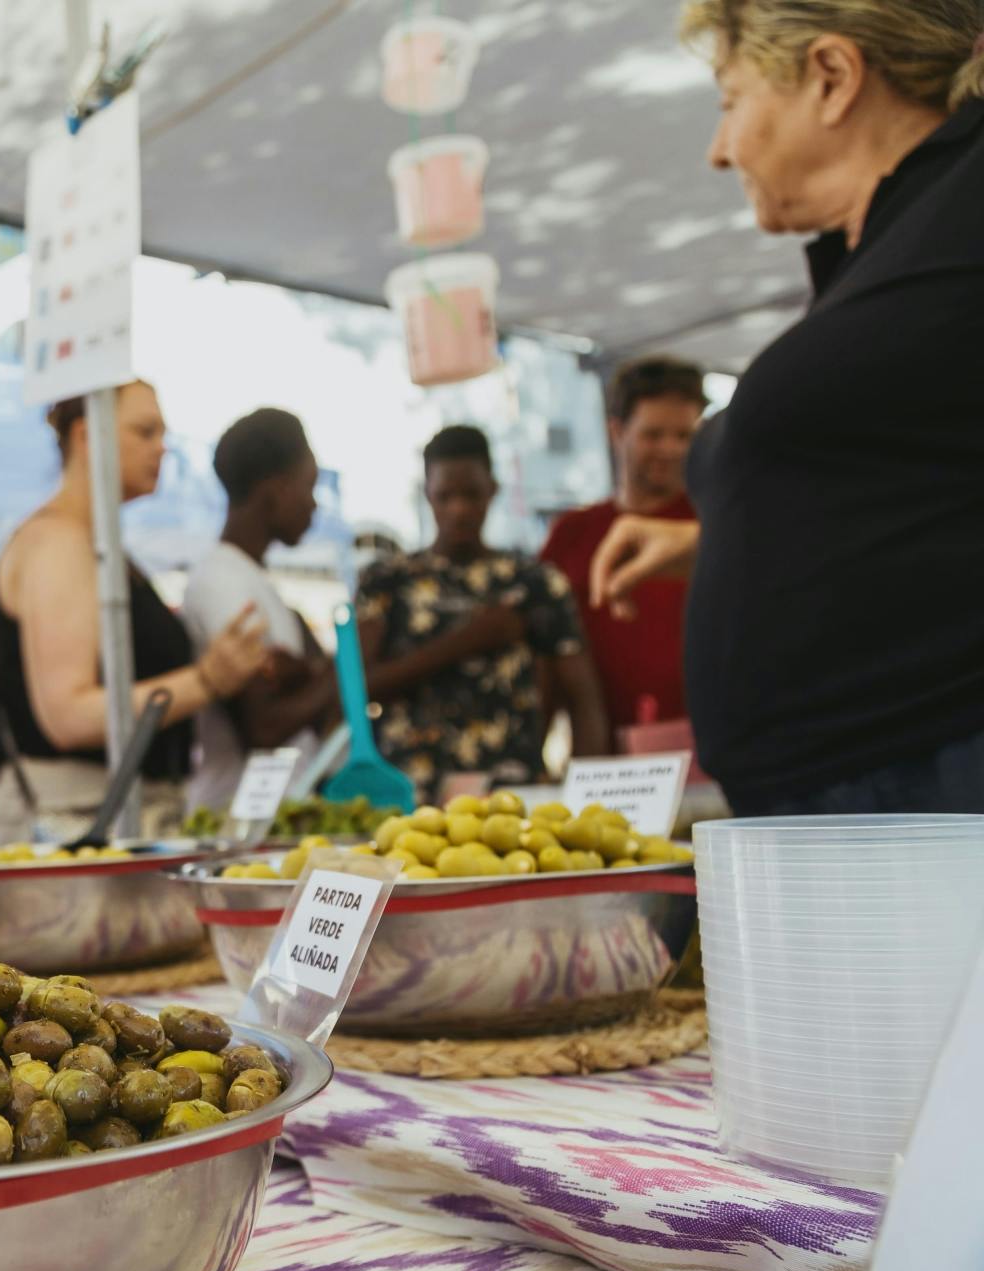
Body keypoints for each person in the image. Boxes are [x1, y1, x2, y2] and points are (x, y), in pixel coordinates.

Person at [593, 0, 984, 816]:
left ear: (833, 77)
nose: (717, 149)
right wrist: (725, 537)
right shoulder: (899, 247)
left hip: (932, 799)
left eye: (731, 101)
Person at [0, 383, 270, 845]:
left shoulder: (97, 546)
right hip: (76, 820)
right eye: (144, 431)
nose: (162, 448)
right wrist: (207, 680)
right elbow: (68, 715)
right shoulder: (60, 544)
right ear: (85, 436)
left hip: (114, 813)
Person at [358, 426, 607, 795]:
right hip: (410, 796)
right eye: (446, 496)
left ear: (492, 489)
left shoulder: (534, 582)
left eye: (471, 494)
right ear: (427, 494)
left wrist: (586, 796)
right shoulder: (387, 581)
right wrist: (468, 641)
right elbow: (357, 686)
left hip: (510, 795)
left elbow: (583, 697)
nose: (459, 509)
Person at [539, 357, 708, 748]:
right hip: (604, 753)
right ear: (617, 431)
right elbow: (546, 650)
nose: (670, 449)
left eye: (684, 435)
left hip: (707, 746)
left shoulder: (715, 523)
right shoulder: (572, 535)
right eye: (653, 434)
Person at [181, 408, 339, 812]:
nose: (313, 505)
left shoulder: (253, 580)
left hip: (269, 819)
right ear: (275, 490)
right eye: (309, 486)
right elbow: (263, 725)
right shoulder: (222, 581)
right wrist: (344, 674)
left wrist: (306, 677)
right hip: (231, 821)